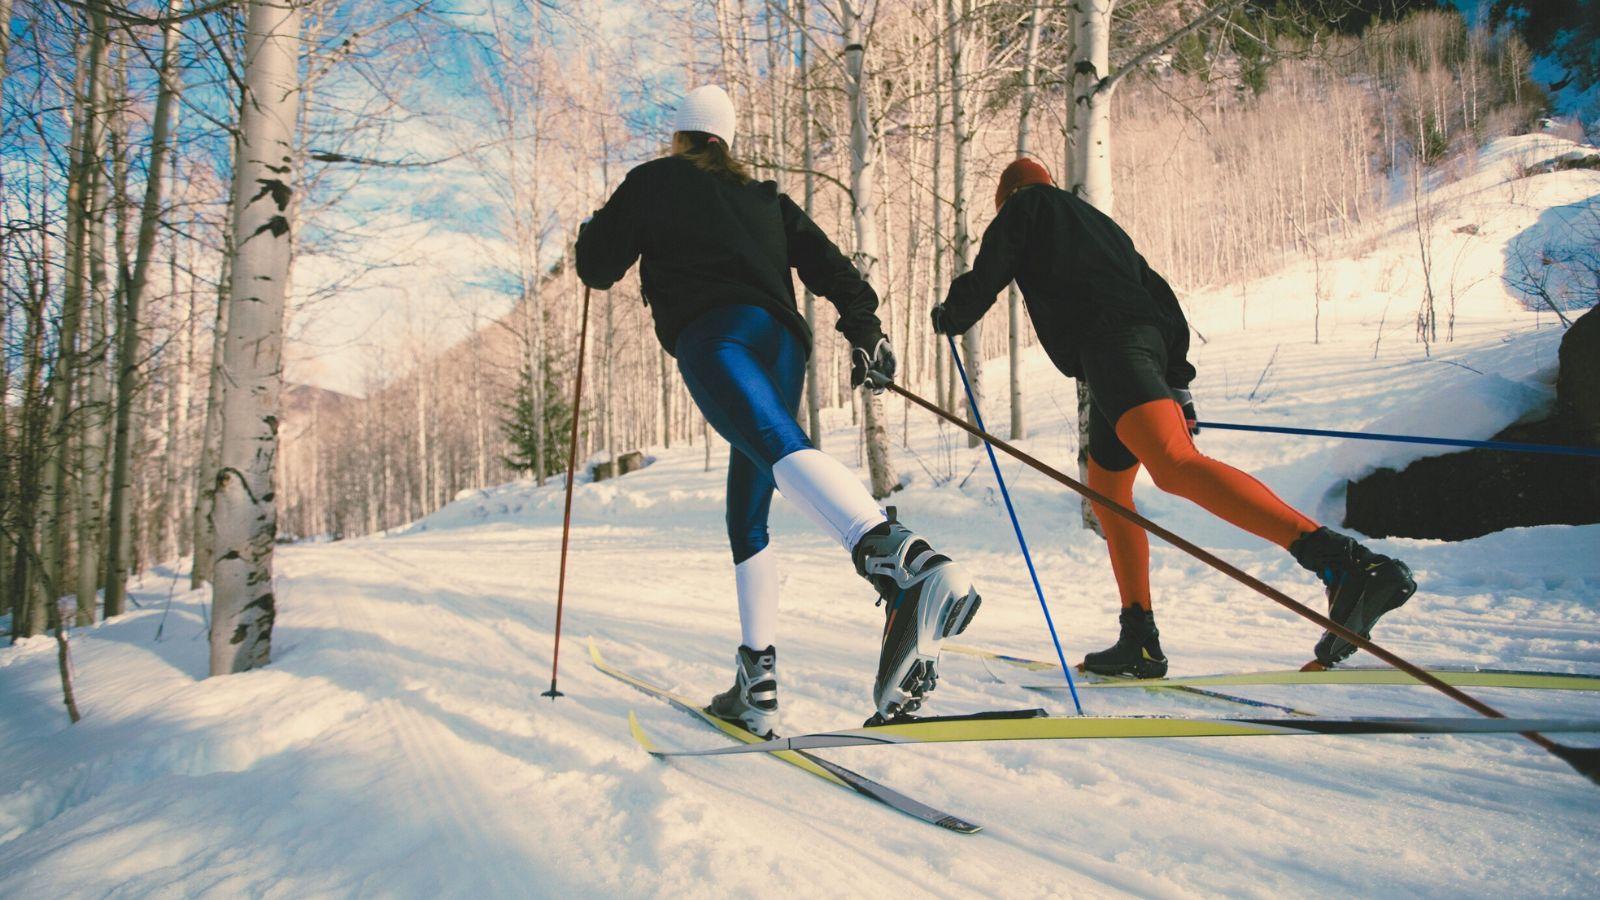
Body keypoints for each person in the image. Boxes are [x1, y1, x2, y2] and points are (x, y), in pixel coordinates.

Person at [575, 86, 982, 733]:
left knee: (776, 445)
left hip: (717, 335)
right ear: (726, 141)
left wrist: (591, 233)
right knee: (749, 514)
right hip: (782, 345)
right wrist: (865, 330)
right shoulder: (765, 199)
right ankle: (754, 683)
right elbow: (835, 269)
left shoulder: (653, 181)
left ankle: (904, 566)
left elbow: (597, 269)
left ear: (680, 137)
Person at [929, 157, 1415, 677]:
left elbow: (991, 268)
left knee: (1174, 464)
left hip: (1111, 345)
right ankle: (1138, 637)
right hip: (1135, 349)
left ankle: (1345, 564)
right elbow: (1161, 296)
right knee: (1107, 490)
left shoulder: (1028, 205)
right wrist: (1177, 383)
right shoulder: (1101, 224)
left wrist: (952, 315)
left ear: (1009, 196)